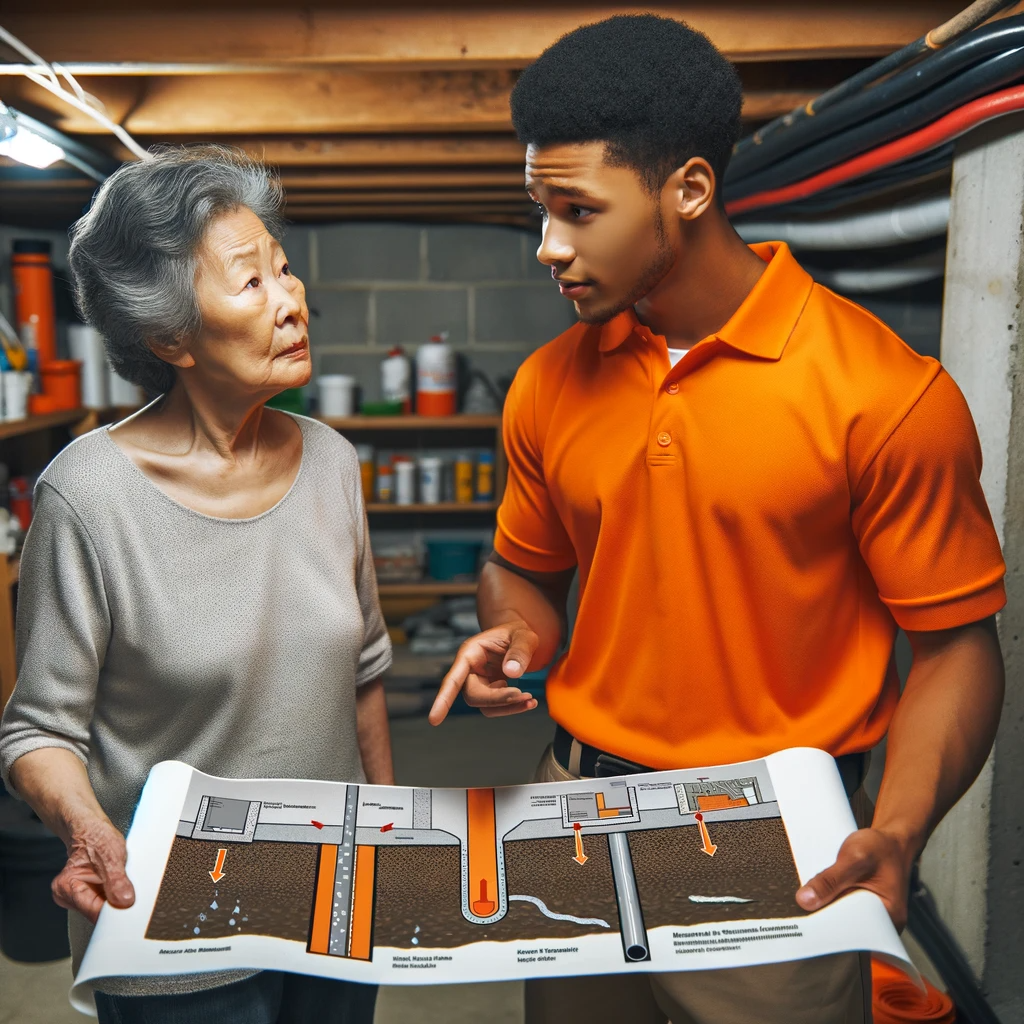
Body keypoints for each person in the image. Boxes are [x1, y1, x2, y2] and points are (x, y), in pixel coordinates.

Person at [429, 15, 1006, 1024]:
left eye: (577, 210)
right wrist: (514, 632)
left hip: (772, 841)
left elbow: (957, 651)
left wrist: (901, 828)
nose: (547, 247)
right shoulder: (548, 382)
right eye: (539, 208)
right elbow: (524, 567)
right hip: (573, 810)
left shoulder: (882, 394)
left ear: (689, 189)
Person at [0, 147, 392, 1023]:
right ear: (170, 338)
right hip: (175, 925)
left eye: (282, 269)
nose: (291, 300)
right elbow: (36, 730)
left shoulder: (331, 463)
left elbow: (363, 672)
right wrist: (84, 829)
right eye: (251, 285)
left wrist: (385, 859)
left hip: (334, 903)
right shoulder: (88, 496)